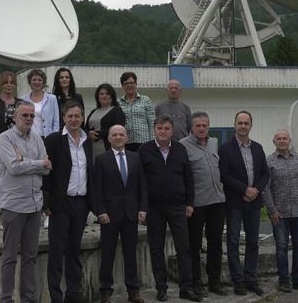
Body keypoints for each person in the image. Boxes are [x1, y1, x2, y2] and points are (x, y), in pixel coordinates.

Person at [138, 115, 200, 302]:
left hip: (178, 206)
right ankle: (161, 288)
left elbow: (188, 177)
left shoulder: (180, 149)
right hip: (154, 208)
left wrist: (189, 203)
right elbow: (140, 182)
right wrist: (143, 207)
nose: (163, 131)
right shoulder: (144, 150)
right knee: (156, 248)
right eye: (159, 128)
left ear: (172, 131)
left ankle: (186, 288)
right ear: (154, 129)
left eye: (166, 128)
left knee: (184, 248)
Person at [0, 101, 52, 303]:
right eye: (24, 115)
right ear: (15, 117)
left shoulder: (37, 138)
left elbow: (47, 169)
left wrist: (25, 161)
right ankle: (6, 299)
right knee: (10, 257)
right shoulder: (4, 138)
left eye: (31, 116)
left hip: (34, 205)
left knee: (30, 257)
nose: (29, 119)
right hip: (13, 205)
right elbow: (13, 167)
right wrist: (38, 163)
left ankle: (27, 299)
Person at [43, 101, 93, 303]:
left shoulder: (87, 141)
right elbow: (46, 172)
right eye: (70, 116)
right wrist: (46, 202)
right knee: (57, 252)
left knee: (74, 250)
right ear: (63, 118)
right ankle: (56, 297)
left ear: (82, 117)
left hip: (81, 203)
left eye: (77, 116)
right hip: (60, 204)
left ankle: (73, 294)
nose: (74, 120)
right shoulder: (54, 140)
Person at [94, 124, 147, 303]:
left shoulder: (135, 158)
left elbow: (142, 185)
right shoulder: (101, 159)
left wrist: (143, 208)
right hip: (109, 215)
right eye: (114, 134)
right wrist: (100, 211)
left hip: (131, 213)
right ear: (109, 138)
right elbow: (96, 189)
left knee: (131, 253)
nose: (118, 137)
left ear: (127, 138)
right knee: (107, 254)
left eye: (121, 134)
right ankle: (105, 291)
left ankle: (133, 290)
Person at [218, 110, 269, 296]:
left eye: (246, 123)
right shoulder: (225, 149)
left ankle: (250, 279)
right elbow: (224, 176)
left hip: (254, 202)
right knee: (233, 242)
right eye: (240, 123)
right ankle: (238, 281)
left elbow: (265, 173)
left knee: (253, 242)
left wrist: (255, 190)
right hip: (235, 203)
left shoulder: (258, 148)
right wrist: (244, 190)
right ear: (235, 125)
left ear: (251, 126)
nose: (243, 126)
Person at [180, 112, 228, 297]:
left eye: (204, 125)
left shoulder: (214, 142)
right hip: (197, 203)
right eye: (198, 126)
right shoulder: (182, 145)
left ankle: (214, 281)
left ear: (209, 127)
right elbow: (182, 175)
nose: (201, 128)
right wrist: (186, 202)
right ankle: (196, 282)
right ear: (191, 128)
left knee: (216, 243)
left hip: (217, 201)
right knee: (194, 245)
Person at [263, 130, 298, 292]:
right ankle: (284, 280)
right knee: (281, 247)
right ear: (274, 141)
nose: (282, 141)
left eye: (284, 138)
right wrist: (272, 210)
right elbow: (265, 188)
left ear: (289, 140)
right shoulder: (269, 162)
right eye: (279, 139)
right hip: (280, 214)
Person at [85, 83, 126, 158]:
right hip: (91, 148)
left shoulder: (117, 111)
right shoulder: (93, 111)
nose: (104, 96)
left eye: (107, 94)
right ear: (98, 97)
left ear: (112, 96)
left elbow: (118, 129)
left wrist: (98, 134)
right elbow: (85, 128)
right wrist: (88, 133)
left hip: (108, 148)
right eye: (101, 94)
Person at [119, 72, 155, 152]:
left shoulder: (146, 100)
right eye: (126, 83)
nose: (129, 85)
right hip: (125, 143)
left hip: (144, 142)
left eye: (131, 83)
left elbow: (152, 123)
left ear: (136, 84)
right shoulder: (118, 103)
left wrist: (153, 143)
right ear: (122, 86)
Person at [21, 68, 59, 139]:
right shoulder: (23, 99)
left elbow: (56, 122)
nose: (37, 82)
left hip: (47, 137)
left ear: (43, 83)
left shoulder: (52, 99)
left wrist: (54, 138)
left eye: (39, 80)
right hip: (28, 137)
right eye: (34, 80)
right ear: (30, 82)